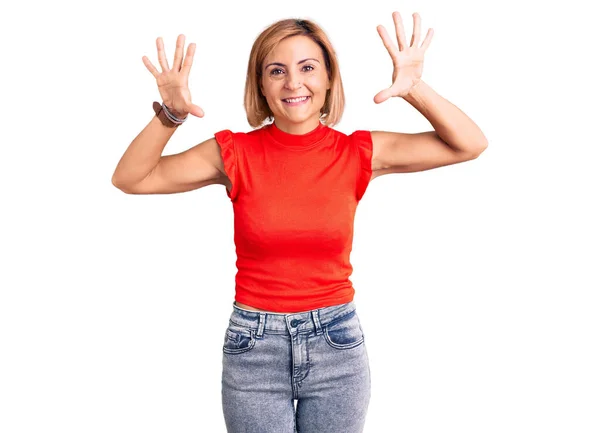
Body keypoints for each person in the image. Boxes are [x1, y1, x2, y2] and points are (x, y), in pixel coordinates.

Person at [112, 12, 488, 433]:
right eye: (277, 71)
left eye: (308, 68)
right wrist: (170, 115)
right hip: (253, 348)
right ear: (261, 85)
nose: (293, 83)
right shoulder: (232, 153)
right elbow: (131, 178)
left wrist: (415, 88)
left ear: (329, 78)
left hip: (336, 345)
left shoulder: (358, 152)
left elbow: (470, 144)